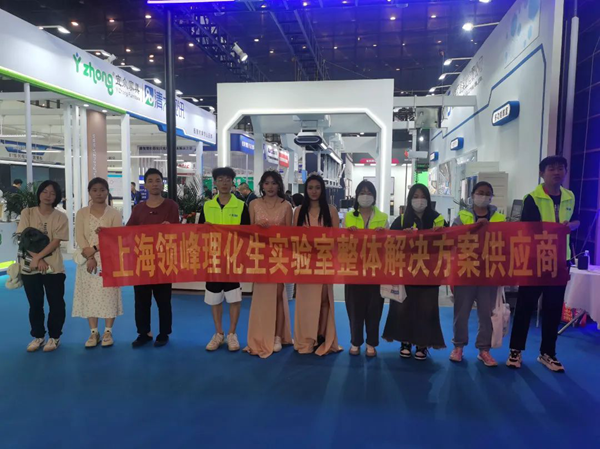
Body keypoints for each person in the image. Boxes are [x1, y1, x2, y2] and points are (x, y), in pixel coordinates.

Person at [507, 156, 579, 372]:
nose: (556, 172)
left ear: (565, 171)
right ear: (542, 173)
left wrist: (571, 226)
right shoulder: (532, 198)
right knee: (524, 307)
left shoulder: (570, 196)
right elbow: (529, 229)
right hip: (535, 261)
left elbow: (578, 220)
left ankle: (548, 353)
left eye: (560, 168)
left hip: (559, 262)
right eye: (551, 169)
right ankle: (515, 350)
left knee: (553, 308)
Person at [382, 183, 446, 360]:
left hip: (429, 272)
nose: (419, 200)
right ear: (410, 200)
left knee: (427, 309)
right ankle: (405, 342)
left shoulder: (438, 219)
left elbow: (450, 243)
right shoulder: (402, 220)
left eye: (423, 196)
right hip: (406, 272)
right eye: (415, 197)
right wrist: (402, 236)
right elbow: (389, 242)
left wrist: (441, 234)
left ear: (428, 199)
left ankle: (422, 344)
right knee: (403, 307)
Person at [449, 182, 506, 367]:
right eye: (480, 193)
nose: (483, 196)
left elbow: (505, 242)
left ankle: (484, 350)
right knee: (461, 313)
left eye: (487, 193)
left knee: (486, 313)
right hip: (465, 271)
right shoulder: (462, 216)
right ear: (473, 195)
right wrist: (475, 228)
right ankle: (458, 347)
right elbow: (453, 239)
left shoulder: (499, 218)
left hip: (488, 273)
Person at [126, 168, 180, 348]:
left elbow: (178, 232)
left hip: (164, 261)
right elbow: (127, 232)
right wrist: (106, 233)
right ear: (145, 185)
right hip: (142, 260)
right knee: (141, 300)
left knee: (163, 300)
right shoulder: (139, 208)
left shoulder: (171, 206)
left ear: (162, 183)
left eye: (158, 180)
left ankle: (163, 333)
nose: (154, 184)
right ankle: (144, 333)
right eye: (150, 181)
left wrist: (169, 227)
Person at [200, 167, 250, 352]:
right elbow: (199, 234)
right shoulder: (207, 206)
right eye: (220, 179)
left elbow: (247, 234)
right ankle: (219, 333)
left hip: (233, 259)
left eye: (228, 179)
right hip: (213, 259)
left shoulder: (241, 206)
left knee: (234, 297)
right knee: (215, 298)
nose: (224, 183)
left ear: (232, 182)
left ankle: (232, 334)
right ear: (215, 182)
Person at [244, 170, 293, 358]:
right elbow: (249, 232)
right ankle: (260, 333)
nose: (270, 187)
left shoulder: (286, 206)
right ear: (262, 185)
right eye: (267, 183)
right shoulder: (254, 204)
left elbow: (290, 235)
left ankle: (277, 335)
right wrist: (258, 229)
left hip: (279, 256)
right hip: (260, 255)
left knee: (279, 294)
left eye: (274, 183)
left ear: (279, 185)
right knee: (261, 296)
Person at [293, 174, 342, 356]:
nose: (314, 191)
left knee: (323, 301)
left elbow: (337, 239)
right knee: (305, 302)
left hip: (324, 262)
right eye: (310, 188)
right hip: (305, 264)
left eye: (317, 188)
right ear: (306, 190)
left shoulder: (331, 211)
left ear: (323, 190)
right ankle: (306, 338)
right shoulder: (299, 211)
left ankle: (322, 335)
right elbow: (293, 238)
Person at [17, 180, 69, 352]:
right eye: (45, 191)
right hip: (30, 267)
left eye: (53, 193)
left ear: (57, 197)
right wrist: (37, 260)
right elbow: (24, 239)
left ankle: (55, 337)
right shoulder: (27, 213)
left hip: (54, 267)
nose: (48, 196)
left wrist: (39, 257)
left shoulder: (61, 216)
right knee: (35, 304)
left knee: (56, 303)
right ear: (39, 193)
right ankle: (38, 336)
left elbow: (56, 241)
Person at [72, 178, 123, 348]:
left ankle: (108, 331)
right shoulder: (82, 213)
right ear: (89, 192)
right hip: (88, 260)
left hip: (109, 259)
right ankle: (93, 332)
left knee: (109, 295)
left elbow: (115, 237)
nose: (99, 193)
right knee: (89, 294)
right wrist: (90, 256)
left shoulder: (114, 213)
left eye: (102, 190)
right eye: (94, 190)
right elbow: (79, 236)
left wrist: (95, 248)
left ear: (107, 191)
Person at [344, 180, 388, 357]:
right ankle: (355, 342)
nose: (365, 196)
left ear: (374, 196)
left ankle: (371, 343)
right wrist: (348, 235)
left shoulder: (383, 217)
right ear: (356, 196)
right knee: (354, 307)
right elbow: (341, 243)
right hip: (353, 269)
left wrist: (383, 235)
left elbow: (389, 244)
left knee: (374, 308)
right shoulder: (348, 217)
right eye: (362, 193)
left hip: (376, 269)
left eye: (369, 193)